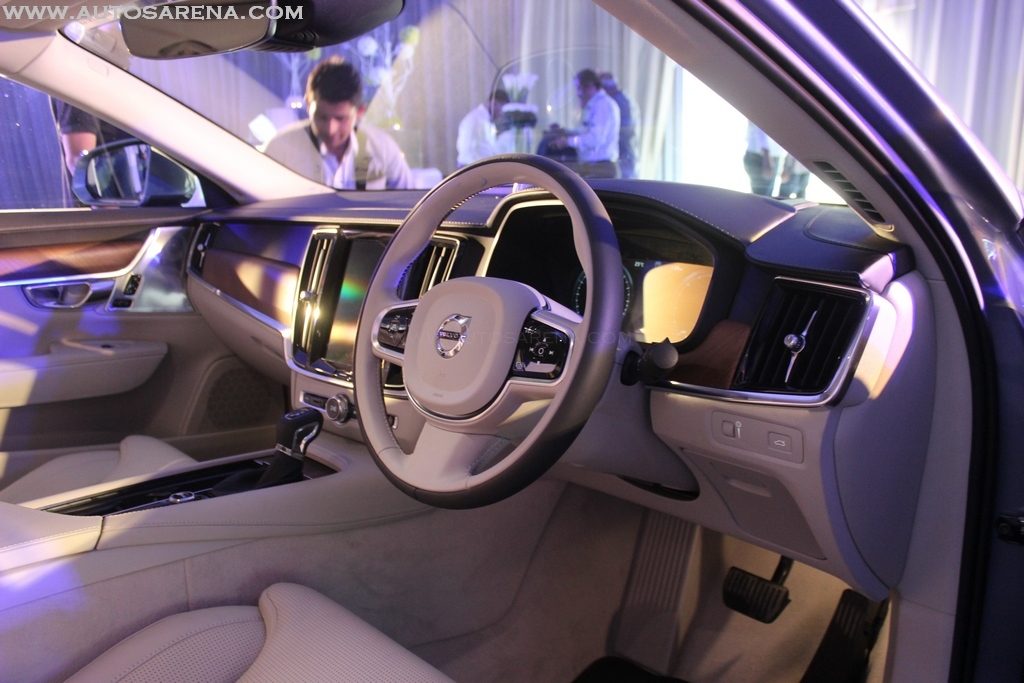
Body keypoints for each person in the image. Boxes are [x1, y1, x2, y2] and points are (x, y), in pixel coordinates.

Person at [264, 56, 412, 190]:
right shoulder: (280, 149)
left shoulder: (384, 148)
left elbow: (408, 202)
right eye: (322, 117)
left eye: (341, 119)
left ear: (360, 111)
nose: (330, 129)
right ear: (308, 104)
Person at [547, 68, 621, 178]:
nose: (578, 93)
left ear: (589, 86)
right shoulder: (597, 104)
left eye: (579, 88)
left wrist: (567, 142)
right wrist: (565, 132)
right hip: (597, 167)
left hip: (601, 169)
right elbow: (586, 131)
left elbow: (595, 139)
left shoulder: (602, 105)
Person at [598, 71, 640, 178]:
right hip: (626, 153)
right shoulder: (624, 98)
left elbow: (624, 130)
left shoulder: (618, 102)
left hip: (623, 154)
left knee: (625, 183)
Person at [456, 88, 510, 166]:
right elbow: (479, 151)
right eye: (502, 108)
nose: (502, 113)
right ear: (494, 103)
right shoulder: (480, 120)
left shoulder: (479, 117)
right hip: (472, 166)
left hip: (470, 165)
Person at [744, 122, 782, 196]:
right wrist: (766, 154)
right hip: (762, 156)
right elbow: (761, 127)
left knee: (764, 195)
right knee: (762, 195)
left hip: (768, 155)